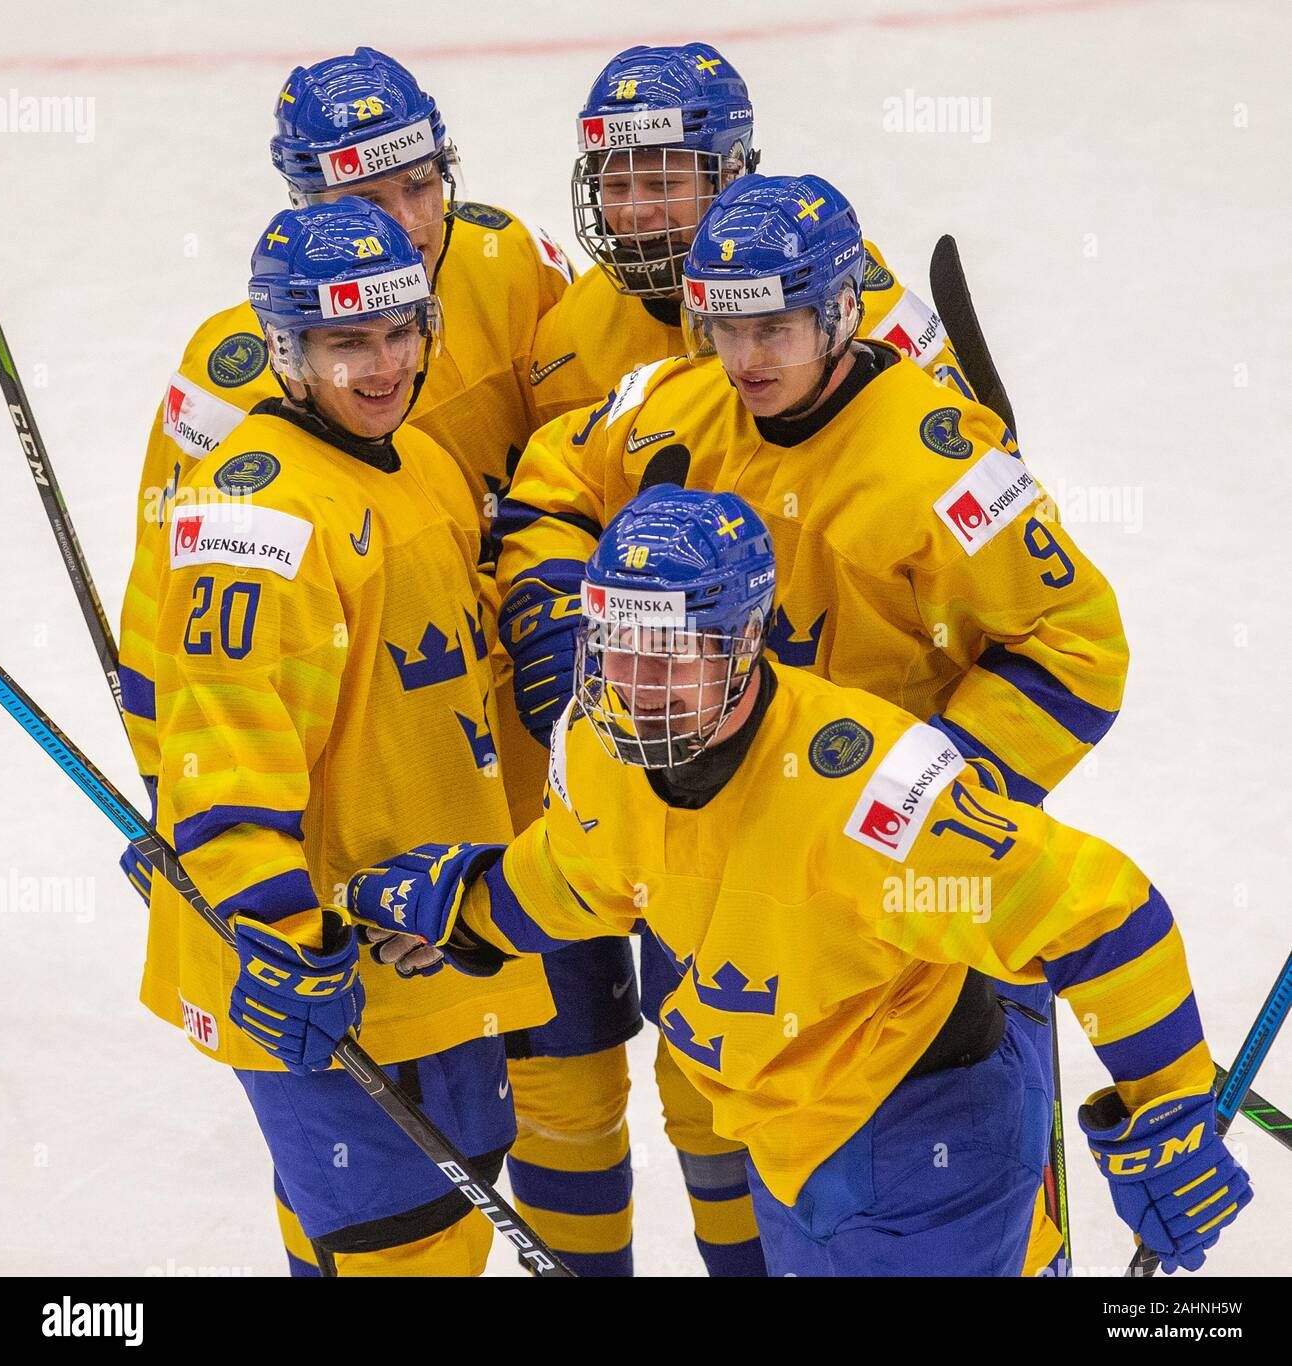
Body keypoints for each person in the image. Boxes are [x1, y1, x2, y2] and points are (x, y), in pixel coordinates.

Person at [351, 486, 1252, 1277]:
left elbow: (1102, 913)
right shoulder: (600, 746)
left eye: (671, 652)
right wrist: (464, 908)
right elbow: (580, 874)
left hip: (926, 1141)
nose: (636, 681)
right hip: (786, 1144)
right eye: (617, 643)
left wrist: (1170, 1112)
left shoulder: (865, 799)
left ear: (744, 641)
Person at [496, 172, 1132, 1272]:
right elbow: (550, 482)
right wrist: (560, 651)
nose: (745, 357)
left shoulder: (938, 465)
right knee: (754, 1125)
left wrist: (934, 782)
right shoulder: (671, 408)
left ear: (841, 310)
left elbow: (1079, 648)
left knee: (973, 1178)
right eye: (725, 324)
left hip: (903, 885)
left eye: (776, 325)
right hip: (718, 849)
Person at [114, 46, 624, 1275]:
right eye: (345, 344)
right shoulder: (247, 466)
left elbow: (639, 404)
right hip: (342, 894)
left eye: (417, 186)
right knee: (389, 1228)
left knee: (519, 1133)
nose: (381, 361)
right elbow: (189, 662)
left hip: (484, 845)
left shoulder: (501, 310)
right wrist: (212, 841)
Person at [527, 41, 969, 433]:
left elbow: (945, 432)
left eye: (663, 184)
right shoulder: (567, 337)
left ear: (730, 172)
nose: (634, 211)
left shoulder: (829, 281)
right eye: (616, 186)